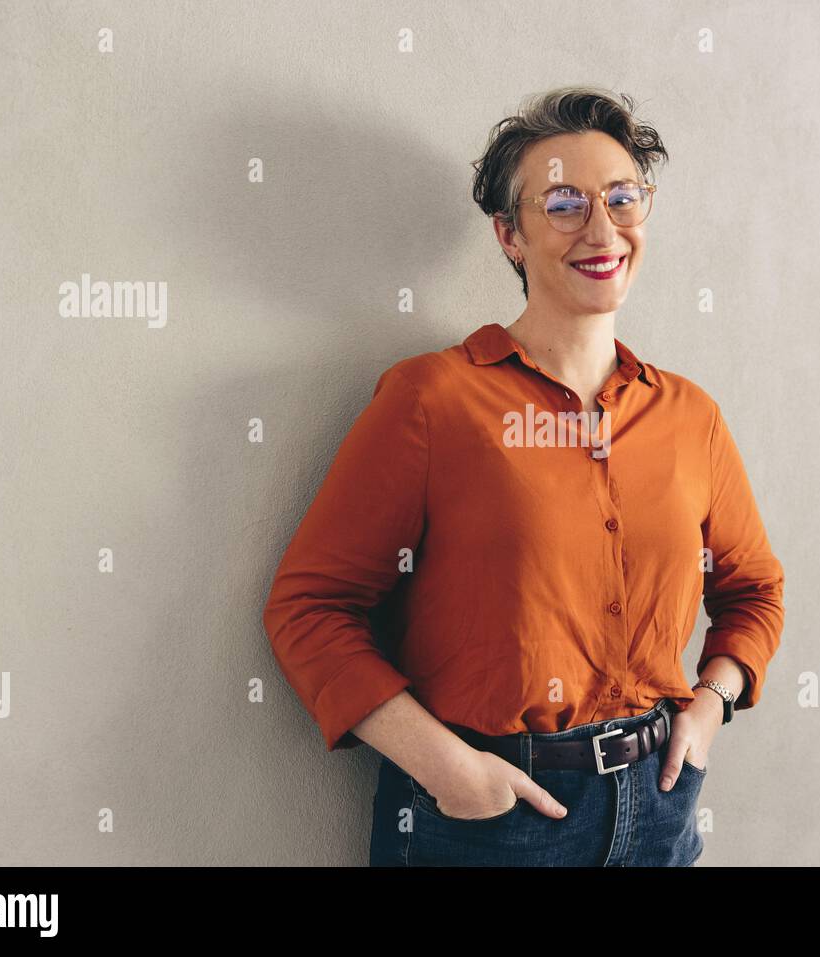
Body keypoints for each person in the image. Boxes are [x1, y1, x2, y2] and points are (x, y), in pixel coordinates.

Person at [261, 85, 786, 866]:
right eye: (565, 204)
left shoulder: (690, 416)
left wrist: (709, 705)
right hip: (486, 820)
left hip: (658, 813)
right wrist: (448, 768)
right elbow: (309, 607)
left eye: (622, 198)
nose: (602, 229)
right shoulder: (434, 399)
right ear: (510, 235)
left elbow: (754, 591)